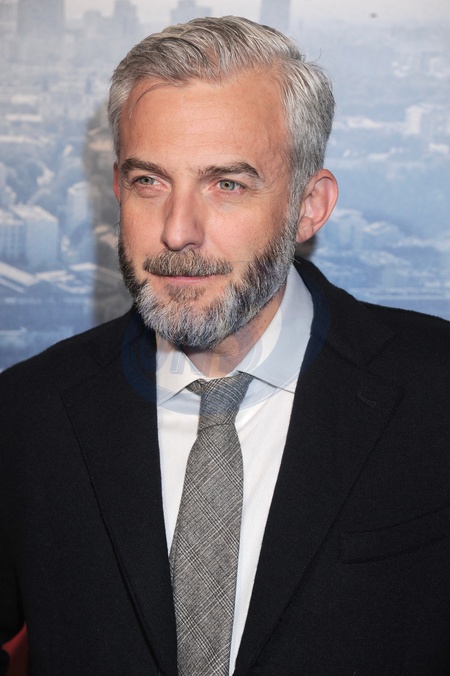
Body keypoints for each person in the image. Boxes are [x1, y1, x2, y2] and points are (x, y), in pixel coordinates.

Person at [1, 15, 450, 676]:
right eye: (149, 181)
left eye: (227, 185)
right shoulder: (24, 415)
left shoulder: (436, 394)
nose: (177, 230)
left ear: (309, 205)